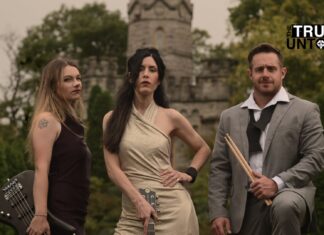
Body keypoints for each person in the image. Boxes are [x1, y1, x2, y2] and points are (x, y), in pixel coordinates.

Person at [208, 43, 324, 235]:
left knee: (284, 205)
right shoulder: (229, 117)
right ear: (250, 74)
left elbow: (316, 157)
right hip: (246, 203)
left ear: (283, 72)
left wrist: (277, 182)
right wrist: (218, 212)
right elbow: (220, 168)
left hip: (290, 193)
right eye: (259, 69)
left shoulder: (305, 110)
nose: (265, 74)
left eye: (271, 68)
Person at [103, 47, 210, 235]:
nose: (146, 74)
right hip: (133, 211)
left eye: (152, 70)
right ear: (130, 77)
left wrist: (189, 173)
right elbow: (113, 170)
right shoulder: (111, 119)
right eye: (141, 69)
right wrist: (139, 202)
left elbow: (203, 148)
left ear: (159, 80)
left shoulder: (171, 117)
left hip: (174, 209)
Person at [26, 58, 91, 235]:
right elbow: (41, 168)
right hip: (58, 213)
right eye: (68, 80)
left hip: (76, 213)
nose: (76, 84)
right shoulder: (47, 120)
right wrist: (41, 215)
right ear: (54, 86)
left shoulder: (74, 124)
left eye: (78, 78)